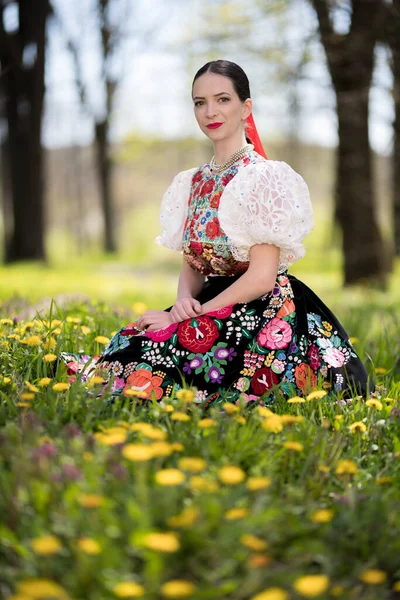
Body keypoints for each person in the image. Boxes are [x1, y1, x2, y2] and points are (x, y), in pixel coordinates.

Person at [54, 59, 374, 407]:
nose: (210, 111)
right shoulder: (191, 182)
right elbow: (192, 263)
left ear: (245, 107)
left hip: (261, 311)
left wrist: (195, 314)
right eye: (200, 102)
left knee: (171, 367)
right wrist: (180, 304)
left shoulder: (263, 177)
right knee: (132, 343)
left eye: (223, 99)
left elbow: (262, 278)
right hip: (210, 302)